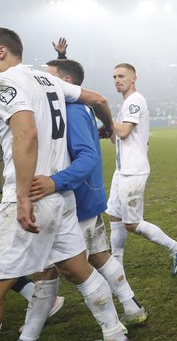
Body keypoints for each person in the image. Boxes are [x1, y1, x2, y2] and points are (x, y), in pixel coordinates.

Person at [0, 27, 128, 341]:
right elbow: (98, 98)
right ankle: (115, 332)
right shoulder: (46, 79)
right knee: (76, 269)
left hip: (30, 194)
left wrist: (23, 197)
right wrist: (108, 126)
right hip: (60, 198)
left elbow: (26, 134)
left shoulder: (7, 82)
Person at [27, 59, 148, 325]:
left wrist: (55, 182)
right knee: (98, 255)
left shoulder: (72, 110)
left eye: (51, 77)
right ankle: (131, 306)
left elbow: (88, 155)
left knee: (53, 268)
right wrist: (61, 54)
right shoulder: (74, 107)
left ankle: (111, 327)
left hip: (76, 198)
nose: (45, 81)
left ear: (65, 83)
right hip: (86, 194)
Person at [107, 63, 177, 275]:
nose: (117, 80)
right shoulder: (125, 104)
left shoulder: (135, 100)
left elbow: (124, 131)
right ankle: (117, 268)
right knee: (114, 217)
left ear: (134, 78)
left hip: (133, 171)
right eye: (114, 76)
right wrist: (107, 129)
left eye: (122, 76)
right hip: (121, 170)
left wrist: (105, 116)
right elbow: (116, 137)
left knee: (132, 223)